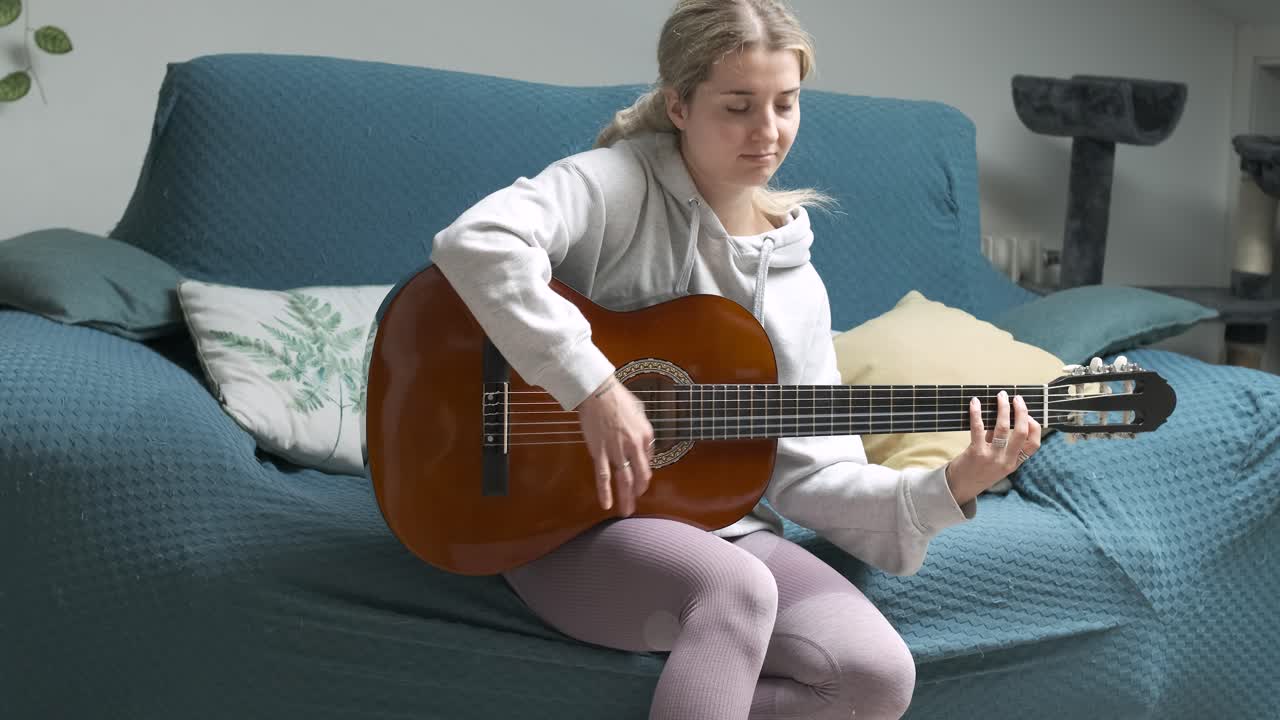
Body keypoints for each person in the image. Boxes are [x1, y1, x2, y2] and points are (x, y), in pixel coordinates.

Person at [429, 1, 1042, 718]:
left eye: (786, 104)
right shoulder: (612, 185)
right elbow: (477, 242)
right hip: (552, 514)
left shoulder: (795, 281)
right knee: (734, 588)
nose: (769, 131)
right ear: (679, 105)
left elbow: (815, 474)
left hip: (717, 530)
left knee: (873, 675)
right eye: (739, 106)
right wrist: (592, 385)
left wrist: (951, 483)